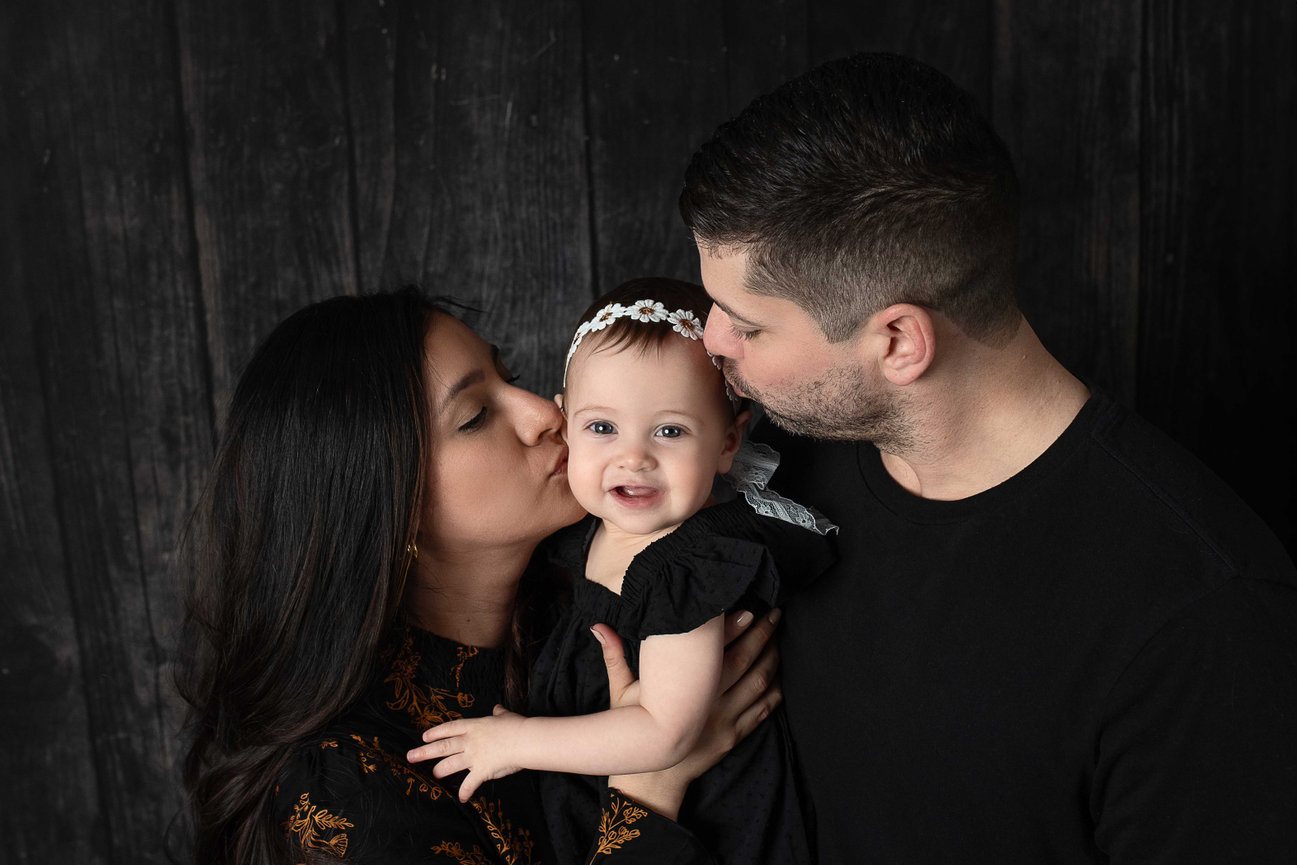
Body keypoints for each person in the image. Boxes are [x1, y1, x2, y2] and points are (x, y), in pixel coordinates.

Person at [679, 52, 1297, 864]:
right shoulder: (764, 466)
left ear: (899, 340)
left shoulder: (1202, 618)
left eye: (744, 323)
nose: (707, 339)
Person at [177, 287, 785, 865]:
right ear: (390, 507)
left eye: (511, 377)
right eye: (475, 416)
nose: (546, 413)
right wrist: (652, 782)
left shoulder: (607, 595)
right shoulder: (345, 791)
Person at [408, 278, 833, 865]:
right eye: (603, 427)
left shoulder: (686, 564)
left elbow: (666, 732)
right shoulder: (583, 535)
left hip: (714, 829)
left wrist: (516, 741)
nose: (633, 458)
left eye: (670, 431)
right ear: (570, 419)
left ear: (729, 442)